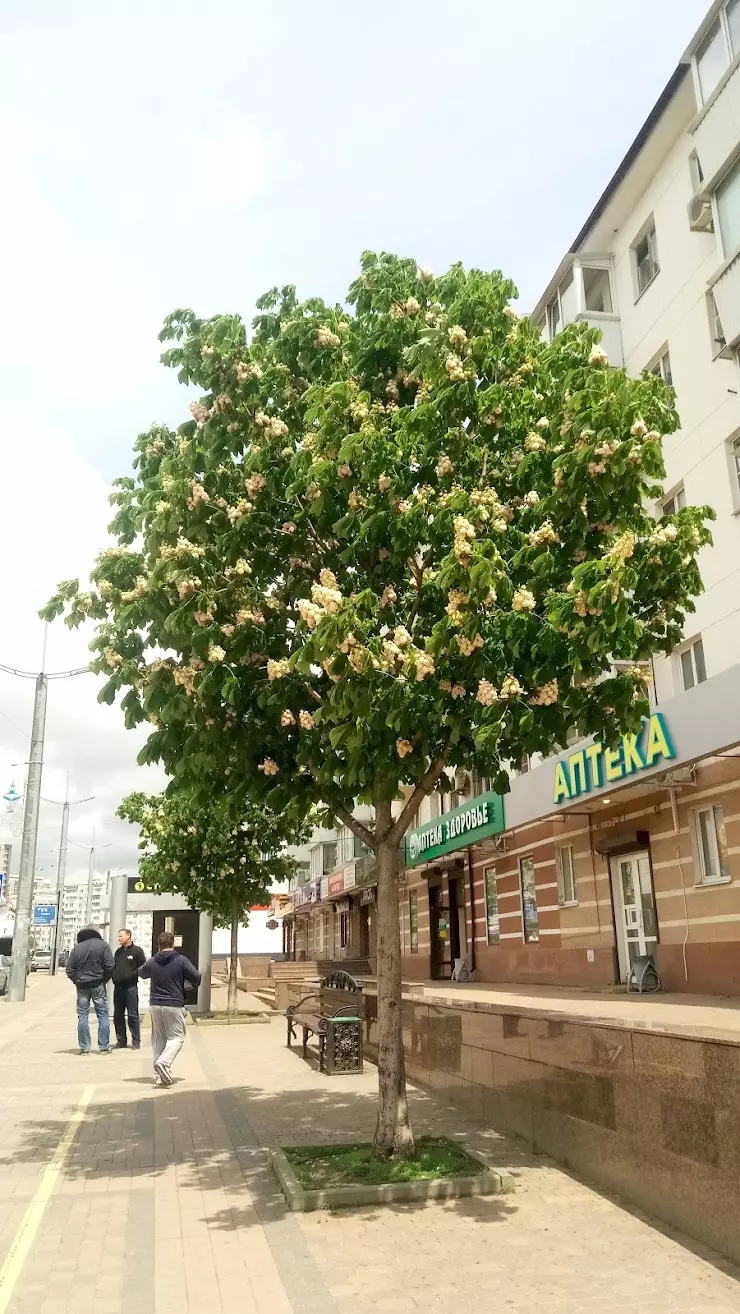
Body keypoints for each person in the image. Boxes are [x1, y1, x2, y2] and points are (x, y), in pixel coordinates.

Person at [140, 931, 201, 1086]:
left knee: (159, 1039)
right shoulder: (181, 960)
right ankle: (164, 1063)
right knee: (177, 1037)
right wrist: (190, 986)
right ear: (173, 943)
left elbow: (142, 973)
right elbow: (196, 976)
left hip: (155, 1004)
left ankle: (159, 1076)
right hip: (174, 1004)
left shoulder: (153, 961)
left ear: (158, 945)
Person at [65, 925, 115, 1054]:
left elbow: (69, 969)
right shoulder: (103, 945)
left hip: (82, 986)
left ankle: (84, 1048)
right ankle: (103, 1047)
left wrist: (76, 980)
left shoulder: (77, 948)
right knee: (103, 1015)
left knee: (82, 1016)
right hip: (98, 984)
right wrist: (104, 980)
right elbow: (110, 966)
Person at [112, 928, 146, 1049]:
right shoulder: (118, 952)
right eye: (118, 936)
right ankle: (121, 1040)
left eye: (121, 936)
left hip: (130, 988)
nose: (119, 938)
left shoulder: (137, 951)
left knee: (132, 1015)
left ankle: (136, 1041)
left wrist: (132, 975)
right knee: (118, 1015)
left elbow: (143, 966)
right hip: (118, 988)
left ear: (128, 936)